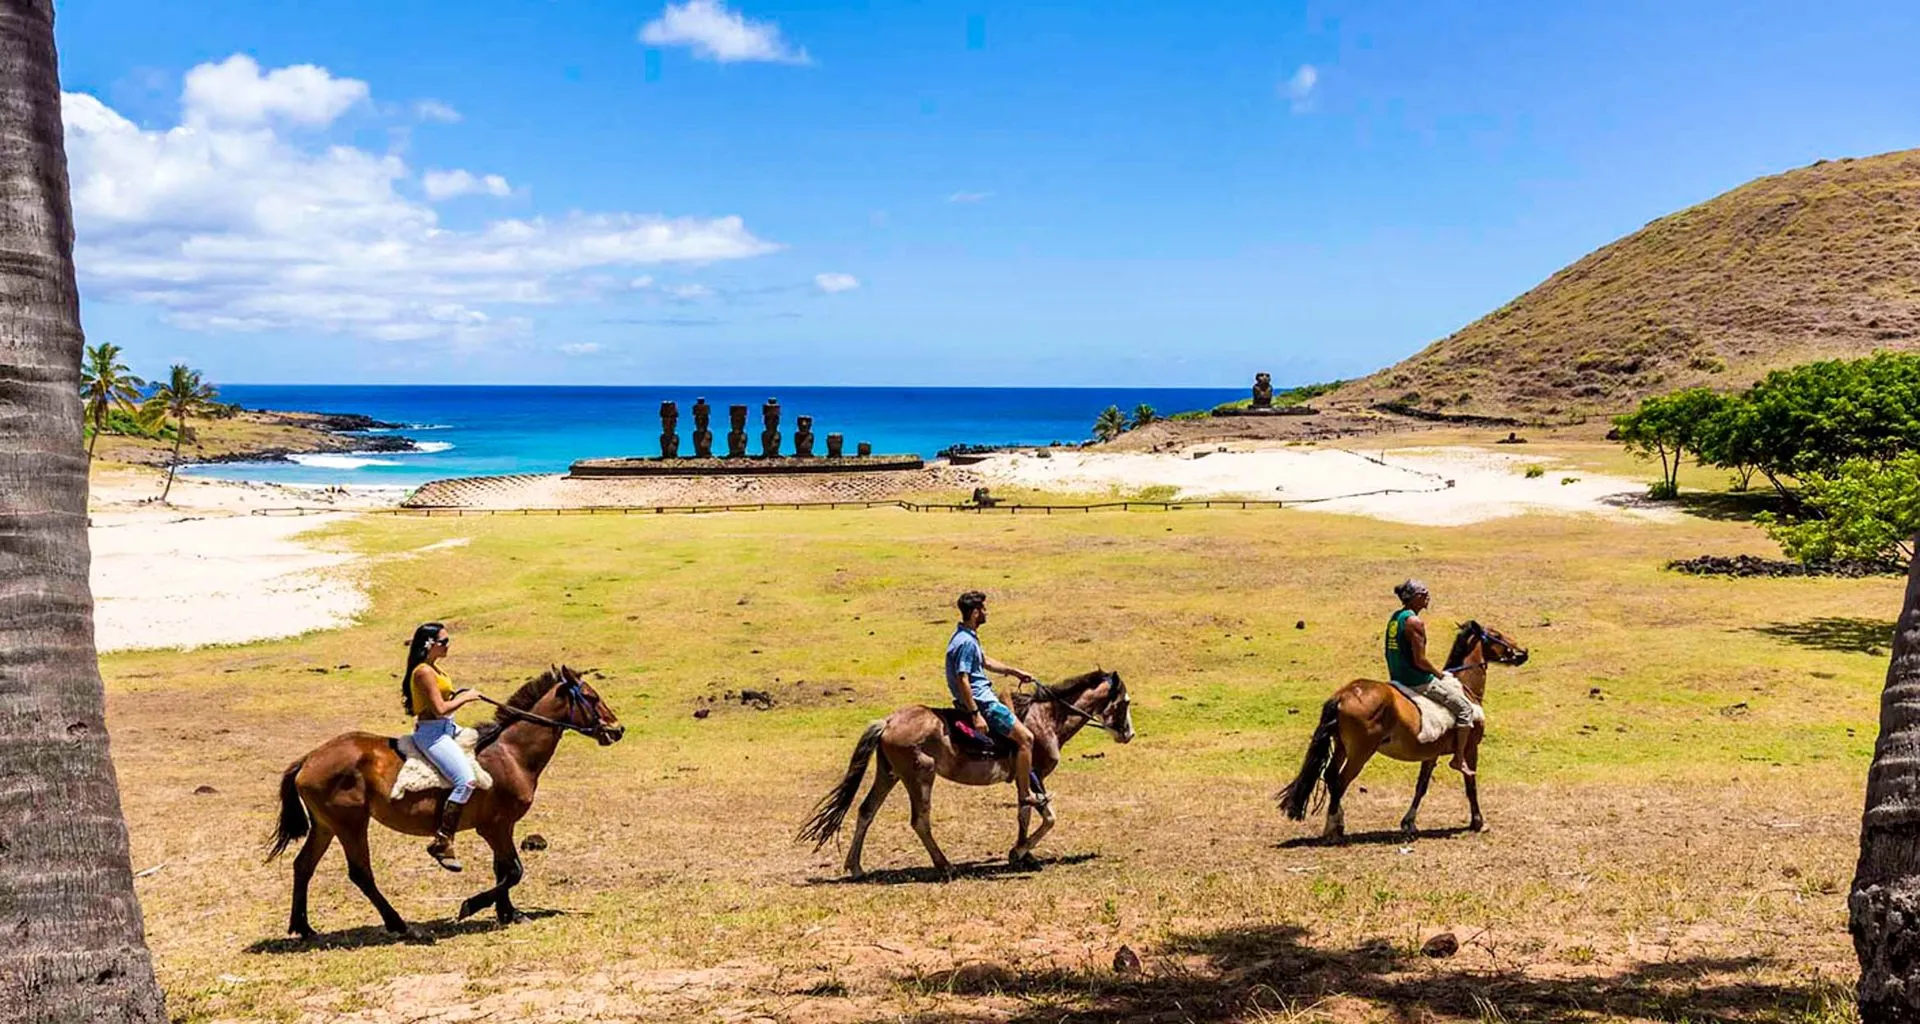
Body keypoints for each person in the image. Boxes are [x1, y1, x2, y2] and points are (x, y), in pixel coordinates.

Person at [946, 591, 1046, 808]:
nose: (986, 612)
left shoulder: (965, 636)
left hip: (984, 698)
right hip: (985, 703)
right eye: (983, 609)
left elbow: (985, 662)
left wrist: (1014, 672)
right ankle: (1025, 793)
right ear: (974, 613)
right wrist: (976, 714)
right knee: (1027, 738)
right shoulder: (965, 643)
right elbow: (962, 678)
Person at [403, 622, 489, 871]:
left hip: (448, 728)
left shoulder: (434, 669)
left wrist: (456, 694)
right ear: (430, 644)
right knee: (466, 780)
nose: (448, 645)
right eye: (444, 641)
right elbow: (439, 709)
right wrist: (465, 698)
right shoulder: (423, 672)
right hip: (433, 735)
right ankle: (442, 840)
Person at [1384, 580, 1476, 776]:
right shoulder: (1415, 622)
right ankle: (1458, 759)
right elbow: (1420, 660)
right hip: (1417, 680)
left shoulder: (1395, 618)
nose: (1427, 596)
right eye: (1423, 593)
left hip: (1396, 676)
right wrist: (1438, 673)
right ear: (1414, 597)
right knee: (1465, 708)